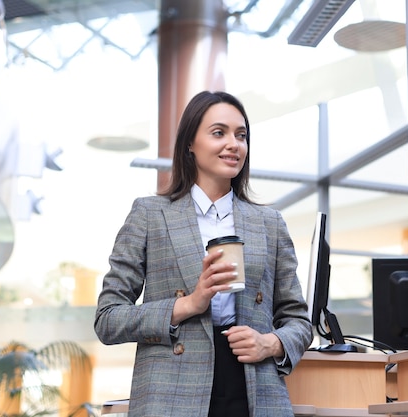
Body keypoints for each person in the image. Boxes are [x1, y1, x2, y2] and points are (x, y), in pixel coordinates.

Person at [94, 90, 313, 417]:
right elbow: (108, 319)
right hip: (172, 391)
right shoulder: (150, 215)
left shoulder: (269, 223)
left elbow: (298, 321)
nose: (233, 144)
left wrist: (270, 343)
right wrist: (189, 304)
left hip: (254, 386)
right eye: (218, 133)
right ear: (190, 145)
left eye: (241, 135)